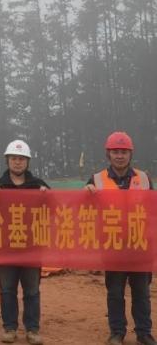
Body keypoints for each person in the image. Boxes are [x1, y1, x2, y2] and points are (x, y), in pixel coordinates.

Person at [85, 132, 155, 345]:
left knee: (141, 293)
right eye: (115, 152)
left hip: (139, 246)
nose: (119, 156)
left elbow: (152, 210)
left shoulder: (143, 178)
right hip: (113, 245)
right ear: (108, 154)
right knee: (115, 293)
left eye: (123, 152)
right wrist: (85, 193)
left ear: (130, 154)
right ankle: (117, 332)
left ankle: (144, 332)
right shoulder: (96, 179)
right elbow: (85, 208)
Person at [0, 140, 48, 345]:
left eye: (21, 159)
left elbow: (57, 210)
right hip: (5, 248)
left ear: (27, 162)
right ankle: (9, 328)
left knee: (32, 291)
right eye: (14, 158)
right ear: (7, 160)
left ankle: (32, 329)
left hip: (32, 247)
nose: (18, 162)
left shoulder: (39, 185)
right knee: (7, 290)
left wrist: (47, 198)